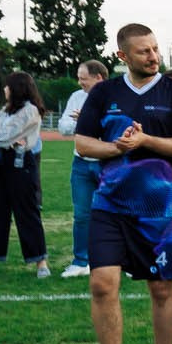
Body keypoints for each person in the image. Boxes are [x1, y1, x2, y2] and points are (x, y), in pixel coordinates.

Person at [77, 25, 172, 344]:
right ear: (122, 57)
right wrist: (117, 148)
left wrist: (147, 141)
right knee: (102, 284)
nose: (153, 56)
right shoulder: (104, 93)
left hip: (160, 209)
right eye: (143, 51)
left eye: (155, 49)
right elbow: (83, 144)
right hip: (110, 204)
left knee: (160, 287)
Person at [0, 72, 51, 279]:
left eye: (8, 86)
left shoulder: (31, 110)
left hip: (22, 164)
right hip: (1, 163)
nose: (4, 89)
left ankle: (40, 260)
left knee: (27, 212)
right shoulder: (5, 109)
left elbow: (4, 134)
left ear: (17, 88)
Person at [57, 59, 108, 278]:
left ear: (98, 77)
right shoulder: (76, 98)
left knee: (116, 213)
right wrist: (82, 123)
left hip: (108, 163)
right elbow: (63, 128)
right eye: (79, 78)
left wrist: (90, 120)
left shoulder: (115, 97)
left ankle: (122, 260)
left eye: (83, 78)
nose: (80, 82)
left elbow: (118, 131)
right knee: (81, 215)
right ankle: (81, 261)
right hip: (81, 164)